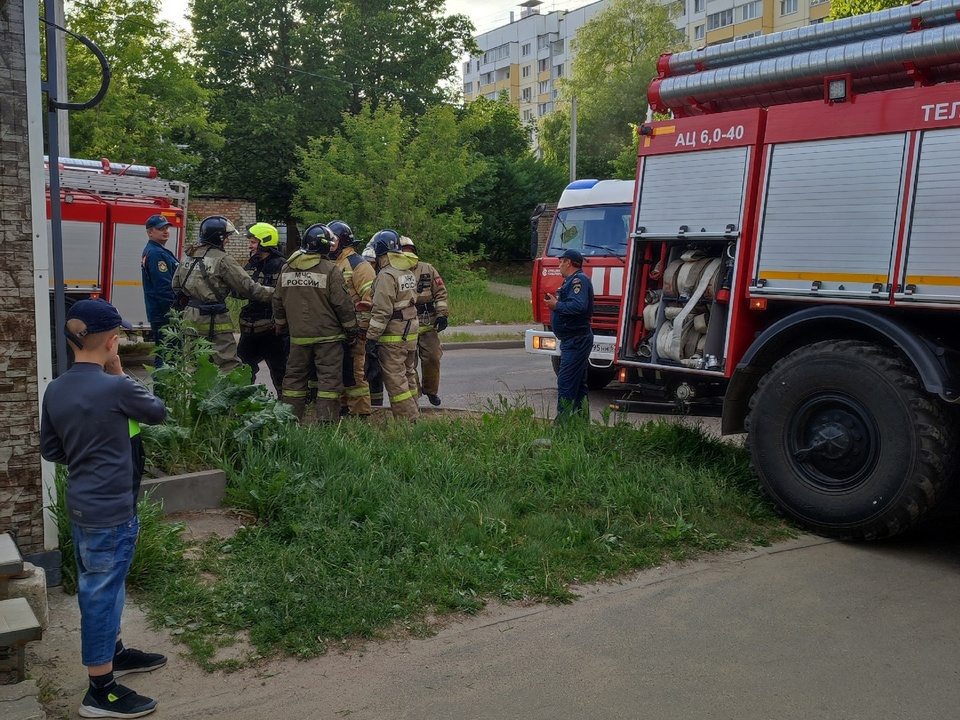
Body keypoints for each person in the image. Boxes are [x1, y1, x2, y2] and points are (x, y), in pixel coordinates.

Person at [39, 299, 169, 719]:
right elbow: (156, 411)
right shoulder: (117, 387)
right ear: (112, 342)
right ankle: (101, 689)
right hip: (112, 511)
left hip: (81, 504)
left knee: (104, 584)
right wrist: (117, 371)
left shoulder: (55, 388)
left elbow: (52, 448)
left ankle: (114, 651)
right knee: (101, 592)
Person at [273, 223, 359, 422]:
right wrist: (352, 331)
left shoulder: (286, 268)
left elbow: (277, 301)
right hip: (328, 338)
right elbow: (343, 305)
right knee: (329, 381)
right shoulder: (330, 270)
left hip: (298, 337)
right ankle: (326, 421)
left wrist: (282, 325)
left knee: (294, 379)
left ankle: (290, 419)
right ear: (323, 247)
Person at [171, 216, 274, 373]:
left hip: (190, 317)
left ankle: (191, 397)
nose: (228, 241)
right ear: (218, 238)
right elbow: (249, 288)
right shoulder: (223, 260)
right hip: (215, 319)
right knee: (228, 366)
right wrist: (279, 293)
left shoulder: (188, 256)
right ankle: (228, 397)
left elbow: (176, 285)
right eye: (226, 237)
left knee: (191, 364)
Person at [366, 229, 420, 420]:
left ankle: (408, 420)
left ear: (380, 251)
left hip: (394, 335)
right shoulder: (407, 270)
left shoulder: (386, 275)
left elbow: (382, 311)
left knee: (396, 379)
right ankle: (415, 412)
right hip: (410, 332)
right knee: (409, 375)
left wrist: (371, 338)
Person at [327, 220, 376, 417]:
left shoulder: (359, 265)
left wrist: (362, 330)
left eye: (332, 241)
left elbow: (370, 301)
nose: (328, 245)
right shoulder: (331, 263)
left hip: (355, 330)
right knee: (339, 370)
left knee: (356, 371)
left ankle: (361, 412)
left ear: (342, 241)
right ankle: (343, 406)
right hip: (336, 330)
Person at [236, 223, 287, 394]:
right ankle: (243, 405)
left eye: (253, 242)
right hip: (249, 330)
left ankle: (286, 405)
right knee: (243, 371)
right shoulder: (252, 264)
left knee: (280, 371)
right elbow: (241, 289)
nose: (249, 245)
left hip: (273, 331)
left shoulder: (281, 265)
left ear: (265, 241)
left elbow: (284, 296)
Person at [398, 235, 449, 406]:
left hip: (428, 322)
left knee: (433, 357)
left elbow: (441, 292)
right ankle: (415, 396)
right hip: (406, 324)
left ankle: (431, 391)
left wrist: (442, 314)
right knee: (409, 364)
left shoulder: (427, 269)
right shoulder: (394, 272)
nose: (407, 255)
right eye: (403, 252)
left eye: (410, 251)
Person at [544, 248, 594, 421]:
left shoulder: (578, 281)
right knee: (579, 385)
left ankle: (563, 425)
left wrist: (556, 306)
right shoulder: (572, 281)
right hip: (573, 339)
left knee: (566, 383)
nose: (559, 265)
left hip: (576, 340)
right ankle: (580, 424)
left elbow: (579, 306)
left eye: (561, 261)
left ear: (568, 262)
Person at [140, 214, 179, 368]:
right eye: (160, 229)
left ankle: (163, 389)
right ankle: (161, 390)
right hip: (164, 315)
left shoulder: (158, 251)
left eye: (167, 228)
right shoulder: (156, 254)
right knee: (166, 356)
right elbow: (164, 287)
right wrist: (174, 312)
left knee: (167, 354)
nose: (166, 231)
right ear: (150, 232)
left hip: (161, 313)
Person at [360, 240, 384, 407]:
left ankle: (377, 403)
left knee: (376, 369)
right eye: (367, 263)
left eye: (373, 263)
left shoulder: (383, 277)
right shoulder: (363, 275)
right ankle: (370, 402)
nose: (370, 266)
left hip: (378, 329)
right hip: (365, 328)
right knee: (365, 368)